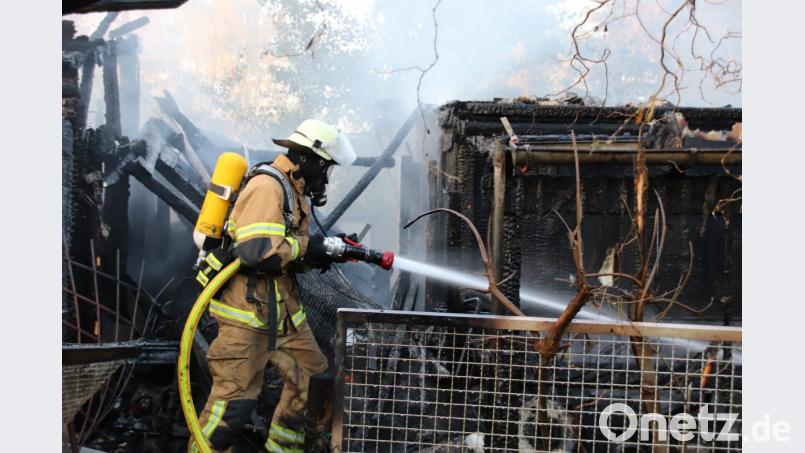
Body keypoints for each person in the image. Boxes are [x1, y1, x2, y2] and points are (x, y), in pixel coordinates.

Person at [190, 119, 357, 453]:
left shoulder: (294, 192)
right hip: (246, 318)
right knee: (232, 407)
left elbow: (285, 253)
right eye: (326, 169)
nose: (326, 178)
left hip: (283, 316)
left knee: (315, 385)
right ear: (309, 159)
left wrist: (320, 254)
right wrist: (307, 248)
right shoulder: (268, 186)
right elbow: (256, 252)